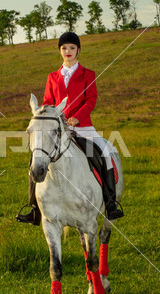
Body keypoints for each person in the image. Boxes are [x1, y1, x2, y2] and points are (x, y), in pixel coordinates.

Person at [16, 31, 124, 226]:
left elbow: (91, 100)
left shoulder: (87, 74)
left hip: (84, 128)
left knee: (106, 154)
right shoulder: (52, 77)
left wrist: (77, 117)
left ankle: (110, 204)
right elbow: (49, 101)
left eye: (72, 48)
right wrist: (47, 115)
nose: (68, 51)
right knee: (36, 159)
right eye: (64, 48)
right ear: (60, 51)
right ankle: (34, 209)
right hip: (58, 130)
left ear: (78, 50)